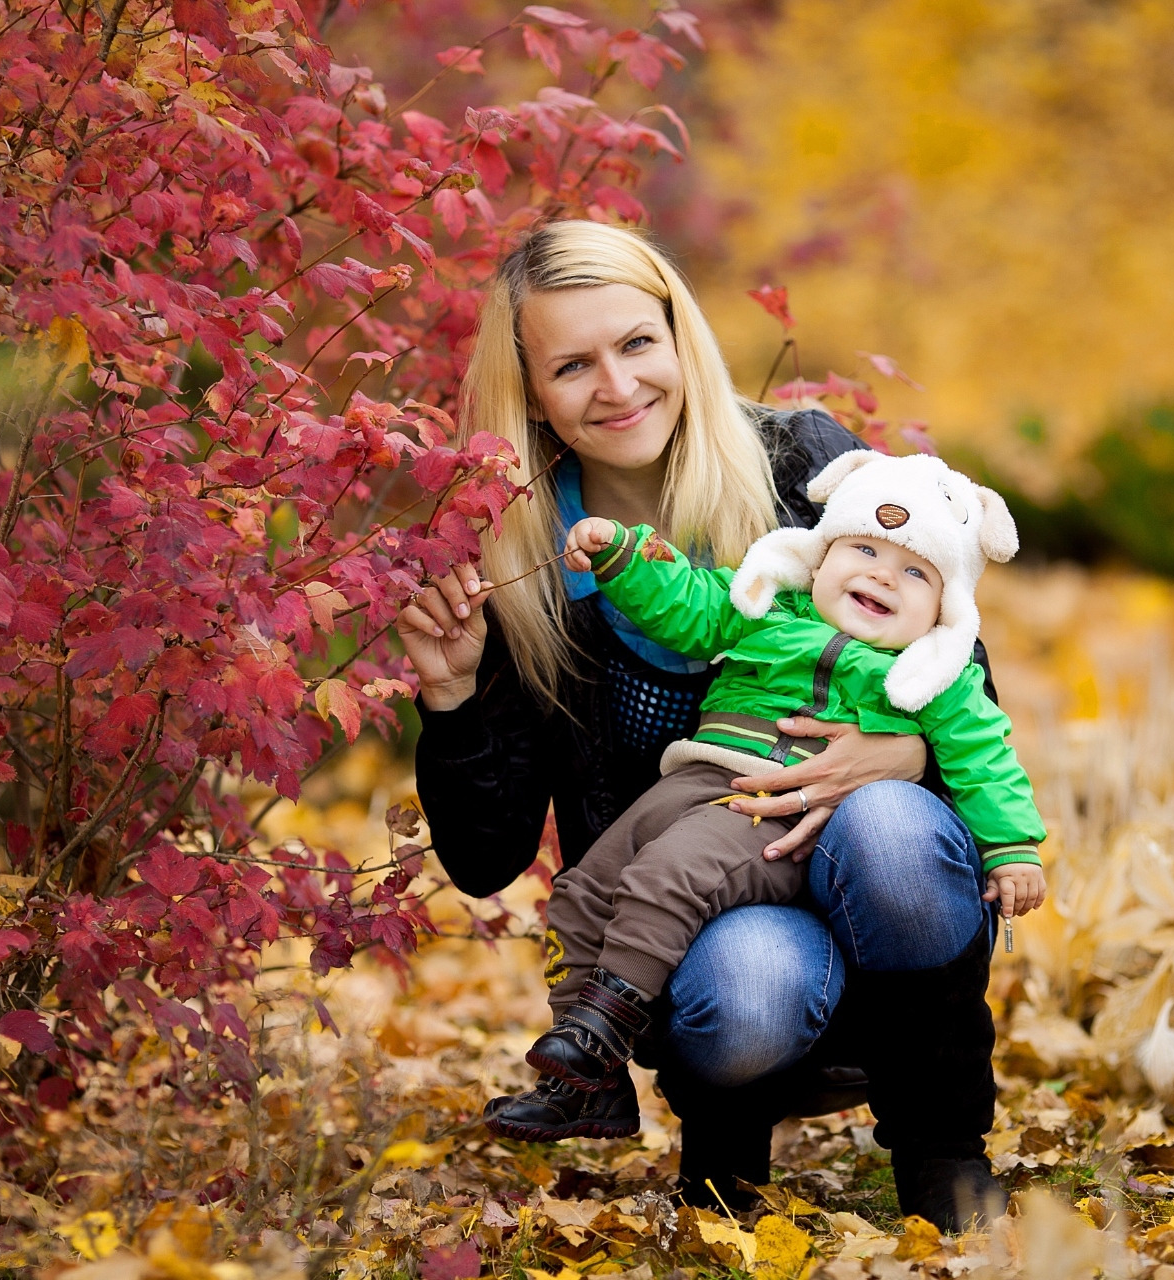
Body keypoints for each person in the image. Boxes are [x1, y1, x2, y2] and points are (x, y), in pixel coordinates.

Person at [397, 219, 1016, 1228]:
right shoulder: (527, 564)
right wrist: (454, 695)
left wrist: (896, 752)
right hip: (709, 930)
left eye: (638, 342)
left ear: (680, 336)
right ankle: (721, 1165)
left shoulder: (803, 465)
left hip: (876, 882)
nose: (618, 384)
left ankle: (944, 1157)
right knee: (748, 980)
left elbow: (960, 665)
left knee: (890, 826)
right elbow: (484, 856)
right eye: (572, 365)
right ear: (533, 394)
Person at [482, 450, 1046, 1145]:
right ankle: (583, 1080)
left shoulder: (932, 670)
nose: (880, 574)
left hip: (776, 813)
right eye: (863, 547)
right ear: (823, 551)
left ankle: (607, 1022)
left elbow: (985, 756)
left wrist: (1012, 849)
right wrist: (625, 557)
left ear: (943, 605)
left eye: (914, 571)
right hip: (692, 783)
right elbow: (688, 606)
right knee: (582, 890)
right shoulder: (768, 604)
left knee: (668, 877)